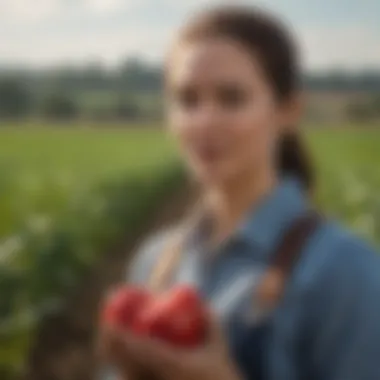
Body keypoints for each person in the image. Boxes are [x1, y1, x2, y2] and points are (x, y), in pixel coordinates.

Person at [100, 6, 380, 380]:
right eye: (187, 100)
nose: (204, 121)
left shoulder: (345, 273)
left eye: (231, 98)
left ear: (288, 111)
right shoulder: (154, 263)